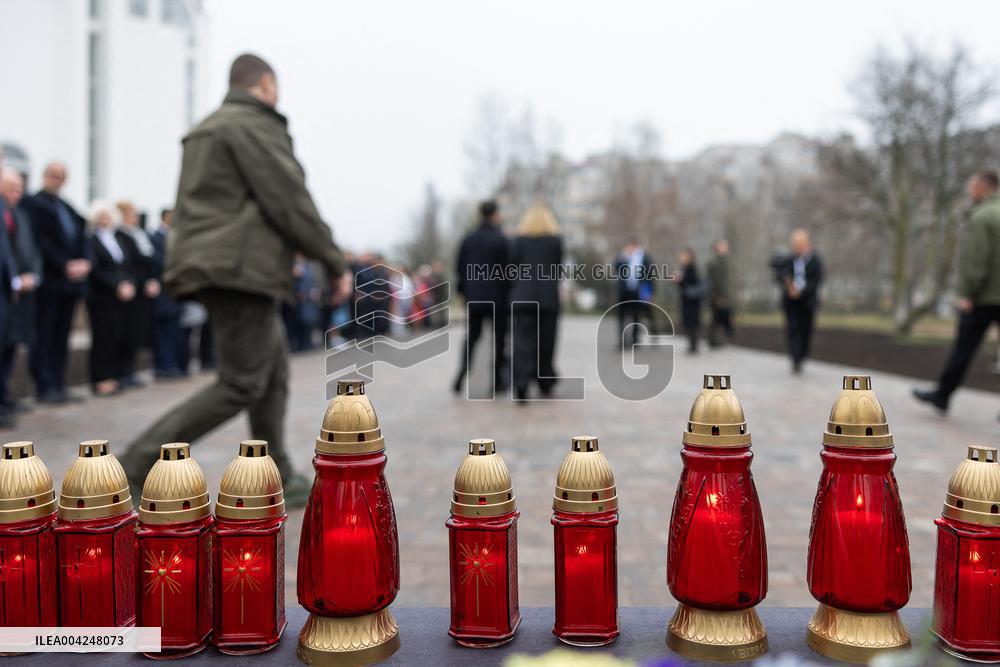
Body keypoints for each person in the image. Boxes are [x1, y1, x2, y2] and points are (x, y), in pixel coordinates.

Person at [119, 54, 350, 507]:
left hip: (222, 263)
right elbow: (288, 198)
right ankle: (133, 465)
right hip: (239, 267)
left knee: (273, 369)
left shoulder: (212, 126)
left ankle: (276, 471)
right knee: (243, 381)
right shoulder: (250, 124)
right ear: (266, 82)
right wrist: (333, 260)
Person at [914, 170, 1000, 414]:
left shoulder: (983, 216)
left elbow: (977, 260)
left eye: (972, 187)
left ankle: (942, 395)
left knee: (964, 348)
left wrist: (968, 294)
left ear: (983, 188)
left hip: (985, 296)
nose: (970, 192)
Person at [21, 162, 90, 403]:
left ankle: (58, 383)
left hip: (69, 285)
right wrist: (64, 264)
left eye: (61, 176)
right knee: (44, 334)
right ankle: (44, 384)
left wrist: (84, 262)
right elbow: (39, 242)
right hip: (50, 283)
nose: (56, 180)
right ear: (44, 176)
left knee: (61, 336)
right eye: (53, 175)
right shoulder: (32, 204)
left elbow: (83, 237)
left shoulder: (67, 208)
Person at [453, 200, 510, 395]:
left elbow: (460, 268)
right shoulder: (501, 239)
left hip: (475, 297)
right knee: (499, 340)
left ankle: (461, 373)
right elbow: (508, 270)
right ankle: (497, 380)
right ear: (494, 214)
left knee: (472, 337)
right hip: (498, 298)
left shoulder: (468, 239)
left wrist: (463, 293)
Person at [509, 203, 563, 402]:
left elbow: (512, 268)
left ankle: (521, 383)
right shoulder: (555, 241)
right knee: (546, 342)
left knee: (522, 341)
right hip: (548, 298)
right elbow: (558, 269)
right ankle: (544, 381)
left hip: (523, 297)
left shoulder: (519, 241)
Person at [0, 169, 41, 418]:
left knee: (11, 345)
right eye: (11, 188)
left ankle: (5, 397)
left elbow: (31, 250)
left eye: (19, 188)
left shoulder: (20, 215)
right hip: (6, 289)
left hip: (17, 294)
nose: (17, 194)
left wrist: (32, 276)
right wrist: (13, 279)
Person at [85, 201, 136, 397]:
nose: (105, 221)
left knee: (117, 337)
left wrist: (128, 284)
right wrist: (116, 286)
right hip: (102, 297)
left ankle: (114, 376)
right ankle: (100, 378)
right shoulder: (91, 240)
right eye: (101, 217)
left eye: (108, 217)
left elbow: (126, 266)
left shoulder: (117, 240)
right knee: (102, 339)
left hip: (121, 297)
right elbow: (96, 269)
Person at [115, 200, 160, 389]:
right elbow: (131, 263)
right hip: (131, 290)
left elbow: (150, 260)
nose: (135, 218)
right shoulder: (120, 235)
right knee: (124, 334)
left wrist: (152, 279)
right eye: (131, 214)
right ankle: (122, 372)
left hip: (143, 291)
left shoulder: (139, 234)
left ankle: (130, 371)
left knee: (136, 333)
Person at [773, 228, 823, 374]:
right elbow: (778, 275)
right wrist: (788, 285)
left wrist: (801, 290)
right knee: (793, 330)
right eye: (795, 244)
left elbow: (817, 280)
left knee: (806, 330)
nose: (797, 247)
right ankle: (795, 359)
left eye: (800, 244)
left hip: (807, 302)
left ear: (806, 244)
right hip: (791, 303)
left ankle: (802, 356)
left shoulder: (815, 260)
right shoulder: (787, 260)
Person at [150, 208, 187, 379]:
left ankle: (171, 364)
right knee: (162, 331)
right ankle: (163, 366)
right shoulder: (155, 237)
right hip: (163, 290)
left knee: (174, 331)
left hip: (175, 291)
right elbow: (159, 262)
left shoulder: (176, 237)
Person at [613, 240, 655, 345]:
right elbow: (616, 267)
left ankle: (635, 339)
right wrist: (623, 257)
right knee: (621, 316)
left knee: (636, 316)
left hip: (637, 291)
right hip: (624, 291)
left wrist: (650, 292)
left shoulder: (644, 258)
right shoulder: (622, 256)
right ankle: (621, 339)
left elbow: (650, 276)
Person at [675, 247, 703, 354]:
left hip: (692, 300)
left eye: (683, 256)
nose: (681, 258)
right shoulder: (684, 268)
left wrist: (679, 281)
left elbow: (690, 283)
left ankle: (694, 345)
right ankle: (692, 344)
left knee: (693, 322)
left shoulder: (691, 268)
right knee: (689, 322)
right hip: (687, 299)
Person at [707, 238, 734, 347]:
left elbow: (727, 281)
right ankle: (713, 340)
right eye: (723, 246)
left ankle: (717, 339)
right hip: (717, 295)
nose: (726, 248)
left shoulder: (725, 262)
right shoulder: (714, 263)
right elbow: (714, 281)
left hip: (723, 295)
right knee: (716, 317)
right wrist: (718, 296)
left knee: (719, 317)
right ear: (718, 248)